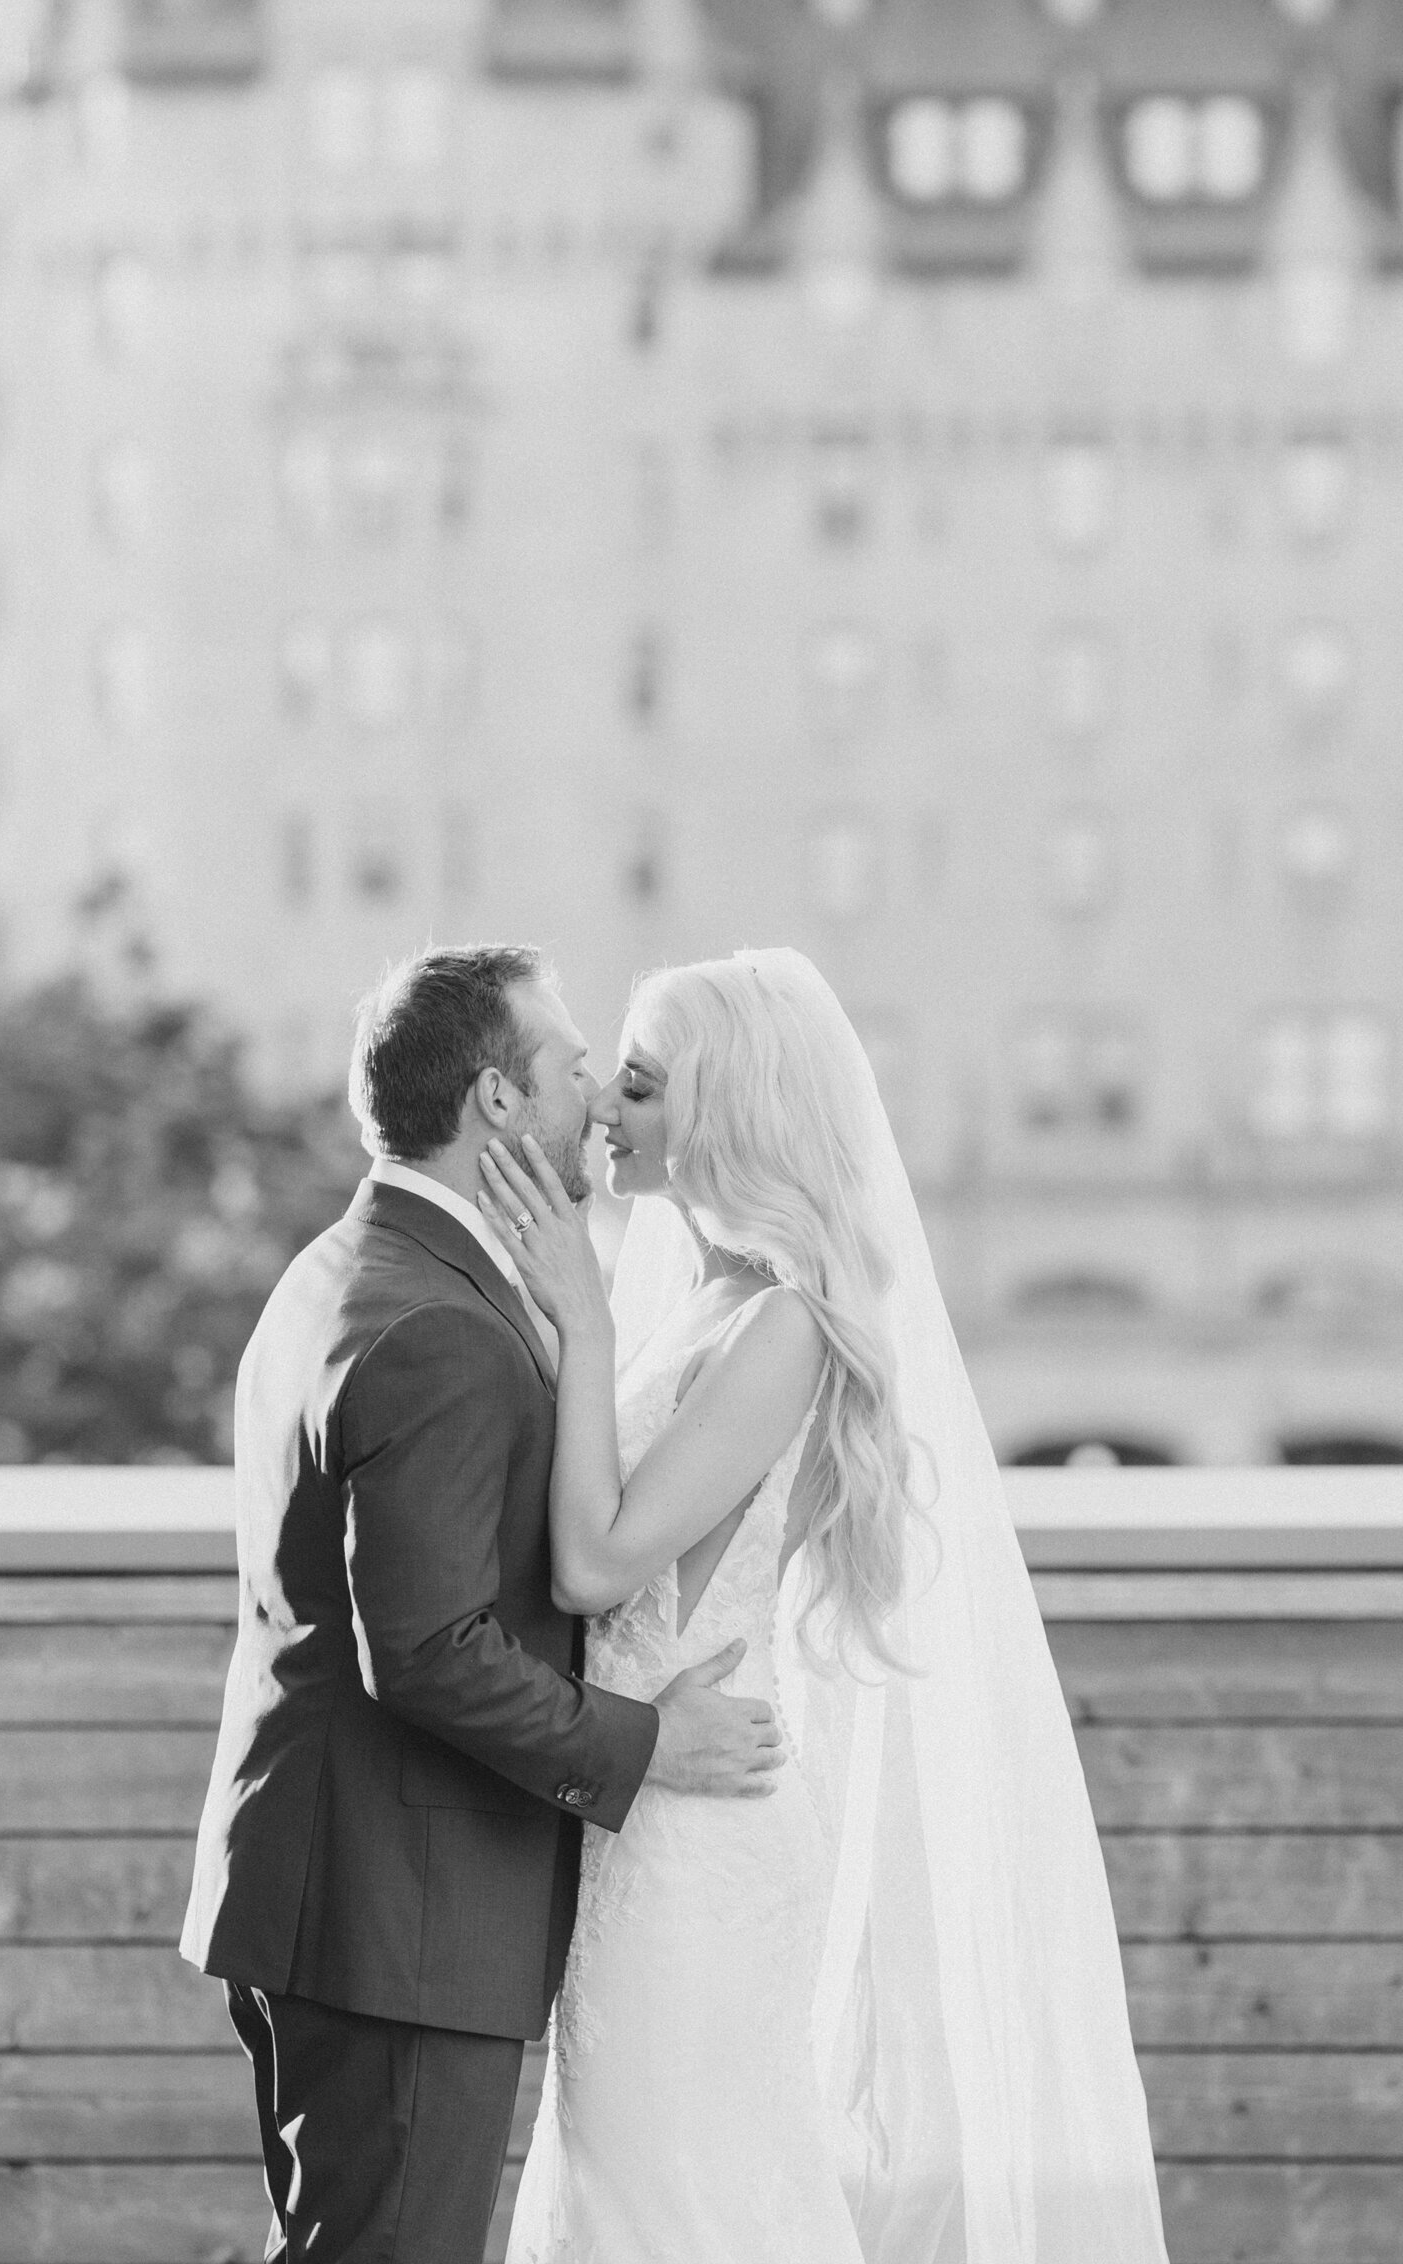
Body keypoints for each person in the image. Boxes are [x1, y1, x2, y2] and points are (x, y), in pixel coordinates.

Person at [480, 947, 1171, 2264]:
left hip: (699, 1844)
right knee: (645, 2189)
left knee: (678, 2197)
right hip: (643, 1813)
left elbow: (600, 1567)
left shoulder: (784, 1328)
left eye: (639, 1086)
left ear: (724, 1114)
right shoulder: (703, 1311)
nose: (606, 1115)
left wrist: (574, 1304)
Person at [180, 945, 783, 2264]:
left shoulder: (340, 1267)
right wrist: (649, 1744)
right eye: (575, 1068)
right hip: (396, 1918)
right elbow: (431, 1648)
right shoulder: (439, 1324)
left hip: (328, 1891)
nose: (594, 1101)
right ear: (501, 1103)